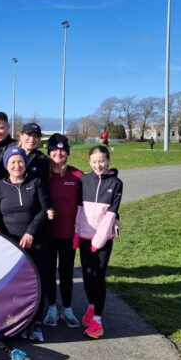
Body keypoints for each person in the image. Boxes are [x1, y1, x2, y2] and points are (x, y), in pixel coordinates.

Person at [0, 147, 51, 342]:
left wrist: (30, 232)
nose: (17, 165)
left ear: (25, 163)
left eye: (20, 161)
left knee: (38, 282)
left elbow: (44, 209)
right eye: (12, 162)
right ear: (6, 165)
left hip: (36, 241)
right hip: (10, 244)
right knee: (15, 285)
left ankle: (36, 322)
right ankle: (19, 322)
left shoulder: (36, 182)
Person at [74, 145, 122, 339]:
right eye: (94, 162)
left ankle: (98, 322)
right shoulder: (84, 180)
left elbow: (111, 214)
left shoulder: (116, 183)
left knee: (99, 276)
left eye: (102, 161)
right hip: (85, 236)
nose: (98, 165)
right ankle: (92, 307)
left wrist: (99, 240)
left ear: (108, 161)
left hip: (103, 239)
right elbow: (79, 209)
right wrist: (76, 233)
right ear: (89, 162)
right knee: (87, 275)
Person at [43, 133, 83, 328]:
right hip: (48, 234)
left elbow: (90, 203)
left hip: (69, 234)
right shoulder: (44, 176)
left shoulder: (77, 176)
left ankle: (67, 308)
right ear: (49, 153)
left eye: (62, 150)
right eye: (55, 150)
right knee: (49, 271)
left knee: (66, 272)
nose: (59, 153)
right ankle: (51, 308)